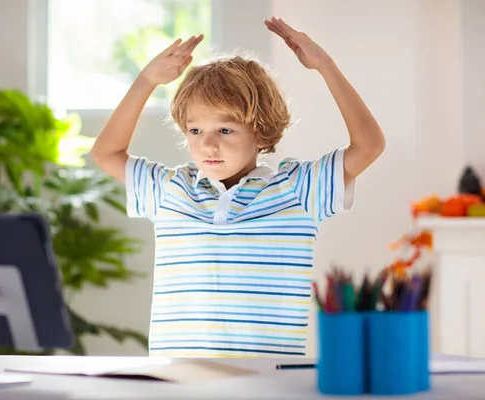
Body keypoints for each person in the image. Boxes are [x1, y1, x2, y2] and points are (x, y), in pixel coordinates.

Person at [91, 17, 385, 357]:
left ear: (260, 132)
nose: (208, 146)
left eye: (225, 131)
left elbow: (369, 146)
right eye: (195, 131)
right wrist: (146, 81)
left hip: (268, 384)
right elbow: (106, 153)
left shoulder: (297, 191)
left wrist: (324, 66)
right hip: (178, 382)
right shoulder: (170, 190)